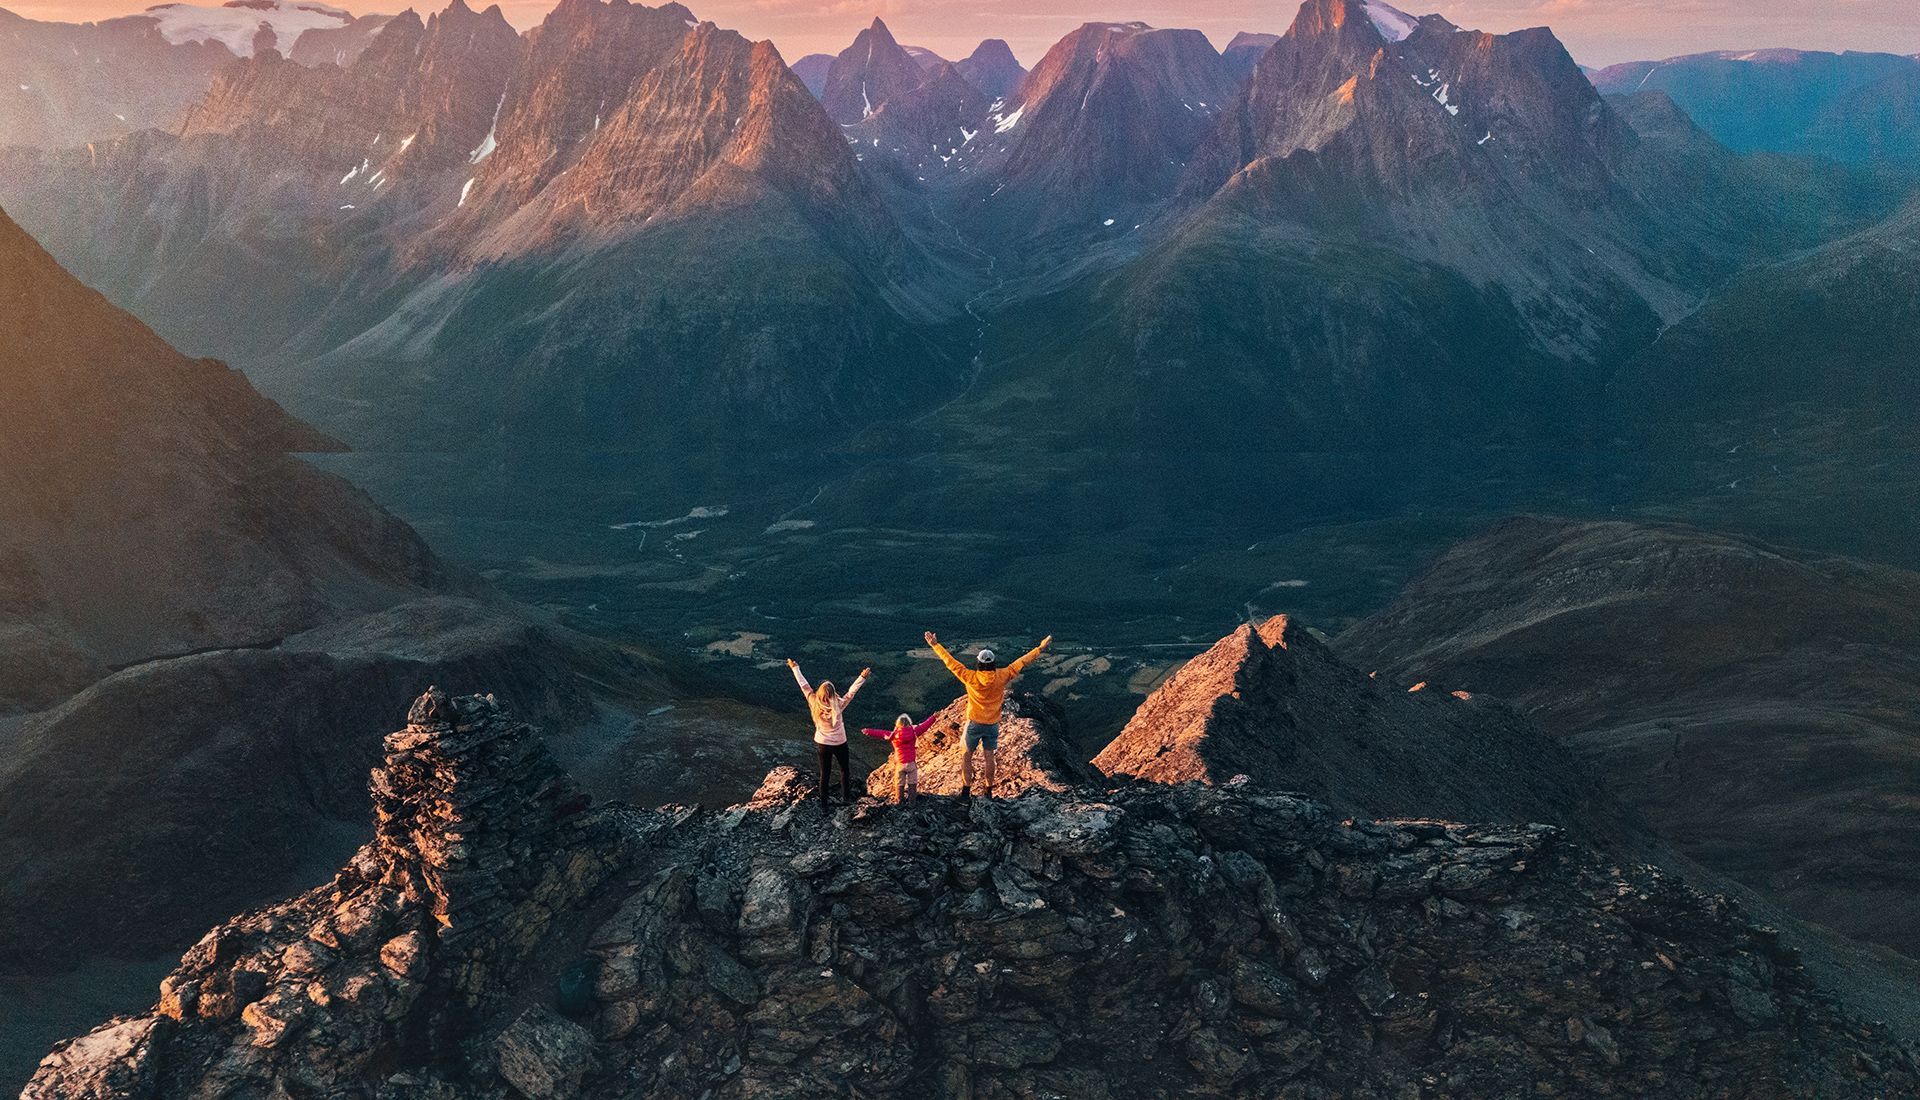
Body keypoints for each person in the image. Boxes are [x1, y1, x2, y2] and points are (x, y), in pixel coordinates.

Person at [923, 630, 1051, 800]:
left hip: (974, 722)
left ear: (978, 663)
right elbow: (1022, 662)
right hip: (992, 724)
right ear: (993, 663)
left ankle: (966, 791)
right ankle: (988, 790)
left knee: (966, 757)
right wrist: (1040, 648)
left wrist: (935, 645)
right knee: (989, 757)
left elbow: (950, 662)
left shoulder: (970, 677)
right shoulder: (1001, 676)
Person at [788, 659, 871, 812]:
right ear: (833, 694)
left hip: (823, 743)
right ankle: (846, 799)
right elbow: (851, 692)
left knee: (824, 774)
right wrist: (862, 677)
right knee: (844, 770)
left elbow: (804, 686)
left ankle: (824, 805)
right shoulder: (838, 705)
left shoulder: (814, 703)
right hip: (840, 742)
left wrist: (795, 668)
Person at [862, 713, 938, 803]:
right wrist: (933, 717)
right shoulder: (915, 732)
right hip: (911, 763)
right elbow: (925, 725)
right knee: (912, 782)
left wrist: (867, 731)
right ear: (909, 723)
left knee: (899, 783)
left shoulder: (892, 735)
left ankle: (899, 801)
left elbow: (879, 733)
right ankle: (912, 802)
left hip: (900, 764)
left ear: (898, 724)